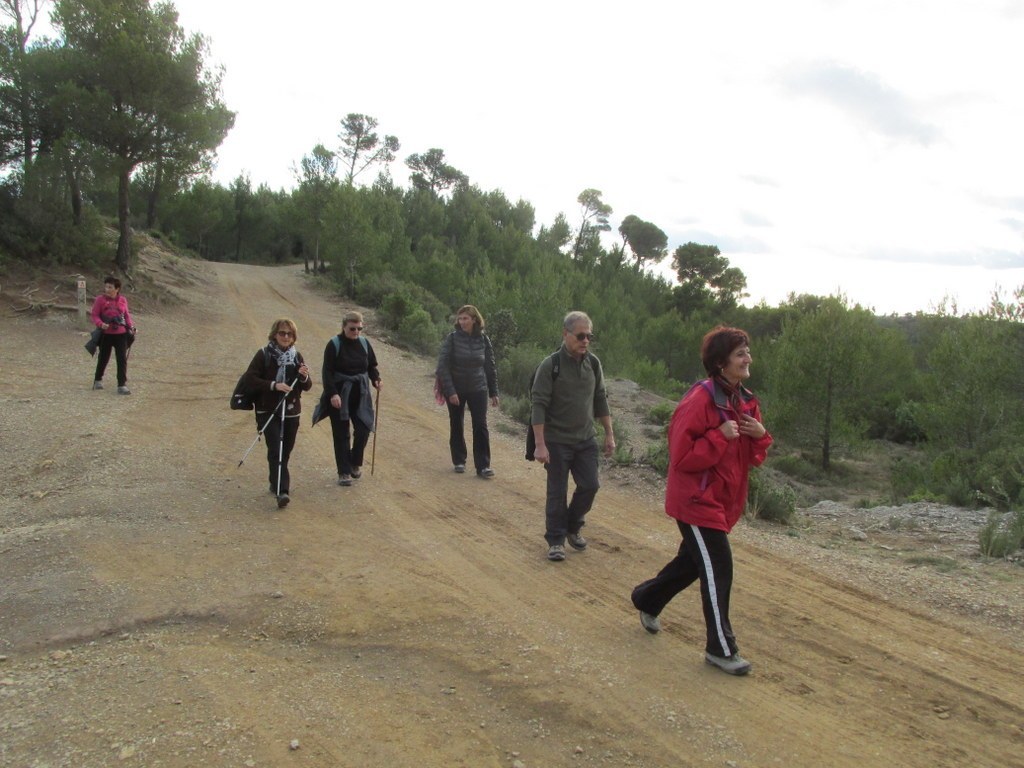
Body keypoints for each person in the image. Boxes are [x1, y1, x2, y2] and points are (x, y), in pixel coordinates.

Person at [630, 326, 772, 676]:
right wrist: (718, 436)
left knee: (693, 563)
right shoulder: (700, 400)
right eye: (741, 354)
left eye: (747, 352)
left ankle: (647, 599)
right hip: (695, 500)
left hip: (722, 502)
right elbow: (681, 458)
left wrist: (760, 436)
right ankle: (720, 649)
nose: (748, 358)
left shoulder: (745, 399)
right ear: (721, 362)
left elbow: (752, 458)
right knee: (718, 567)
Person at [531, 311, 615, 562]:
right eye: (580, 336)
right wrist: (540, 444)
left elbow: (600, 398)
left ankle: (572, 526)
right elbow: (538, 404)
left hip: (585, 439)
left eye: (589, 336)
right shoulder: (551, 365)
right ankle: (555, 540)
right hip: (556, 440)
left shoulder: (594, 363)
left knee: (591, 485)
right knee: (557, 492)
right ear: (565, 334)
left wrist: (609, 434)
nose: (585, 340)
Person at [242, 318, 312, 509]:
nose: (286, 337)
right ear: (274, 334)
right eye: (282, 333)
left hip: (291, 411)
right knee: (276, 448)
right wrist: (274, 385)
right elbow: (250, 379)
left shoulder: (297, 357)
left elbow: (306, 386)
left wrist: (304, 376)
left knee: (285, 451)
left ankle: (275, 481)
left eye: (289, 334)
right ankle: (283, 491)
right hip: (268, 410)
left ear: (293, 337)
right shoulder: (264, 355)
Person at [318, 311, 382, 486]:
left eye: (359, 328)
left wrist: (376, 379)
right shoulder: (334, 344)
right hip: (339, 394)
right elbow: (327, 372)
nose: (356, 332)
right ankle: (344, 472)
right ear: (344, 326)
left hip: (360, 394)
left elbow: (371, 366)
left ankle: (354, 462)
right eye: (352, 328)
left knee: (363, 429)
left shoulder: (364, 343)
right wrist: (332, 394)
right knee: (341, 433)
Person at [436, 305, 500, 478]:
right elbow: (442, 367)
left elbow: (490, 366)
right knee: (456, 422)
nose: (462, 322)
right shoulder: (452, 339)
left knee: (480, 425)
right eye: (460, 318)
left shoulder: (483, 339)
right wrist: (450, 391)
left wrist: (494, 392)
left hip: (478, 387)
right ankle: (459, 460)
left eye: (466, 318)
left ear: (474, 320)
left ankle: (483, 466)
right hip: (456, 388)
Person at [90, 276, 135, 394]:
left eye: (110, 287)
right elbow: (94, 315)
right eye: (106, 286)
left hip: (121, 334)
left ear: (117, 289)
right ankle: (98, 379)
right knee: (103, 358)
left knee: (122, 359)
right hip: (106, 334)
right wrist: (100, 324)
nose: (107, 289)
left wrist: (131, 327)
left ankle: (122, 384)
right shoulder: (100, 300)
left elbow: (126, 316)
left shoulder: (123, 300)